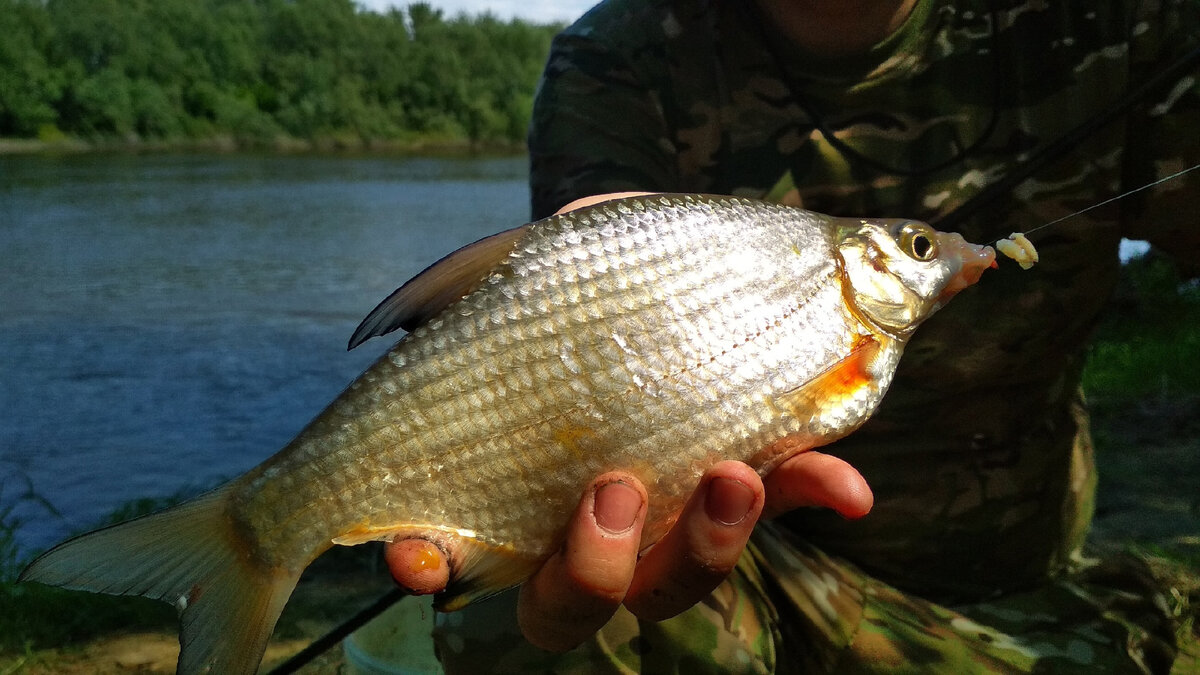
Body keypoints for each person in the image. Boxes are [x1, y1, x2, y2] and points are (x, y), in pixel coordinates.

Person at [386, 0, 1200, 671]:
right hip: (752, 568)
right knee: (518, 622)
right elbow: (570, 287)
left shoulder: (1115, 26)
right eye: (916, 248)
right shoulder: (621, 58)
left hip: (1028, 573)